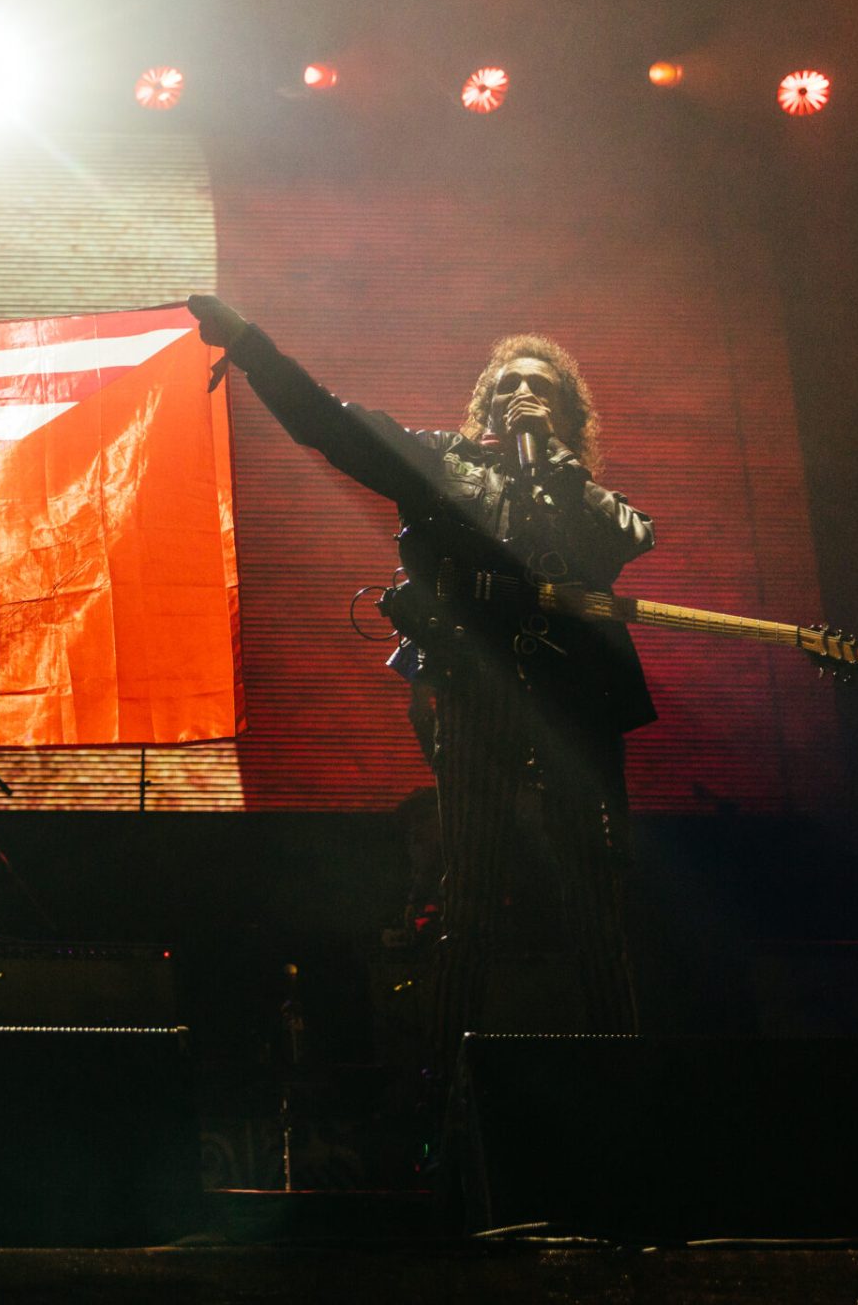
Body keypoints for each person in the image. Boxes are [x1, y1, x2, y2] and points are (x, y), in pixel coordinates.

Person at [188, 295, 655, 1097]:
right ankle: (450, 1109)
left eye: (539, 387)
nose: (521, 395)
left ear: (570, 413)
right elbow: (330, 425)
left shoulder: (589, 499)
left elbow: (621, 542)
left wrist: (553, 461)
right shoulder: (444, 466)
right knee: (471, 898)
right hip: (478, 693)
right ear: (483, 405)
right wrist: (253, 347)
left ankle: (631, 1098)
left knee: (596, 905)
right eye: (508, 384)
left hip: (574, 709)